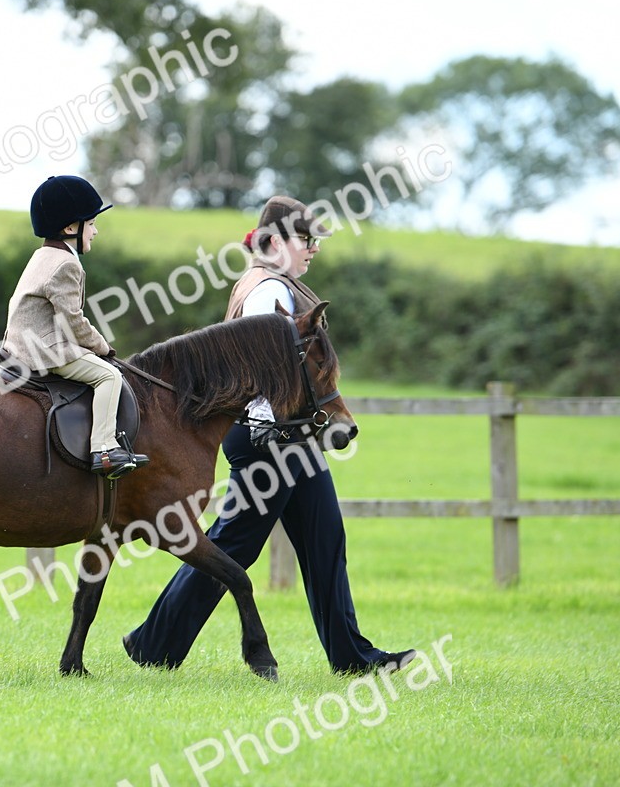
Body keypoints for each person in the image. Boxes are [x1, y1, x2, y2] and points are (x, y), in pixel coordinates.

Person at [122, 195, 415, 674]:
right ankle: (153, 645)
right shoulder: (266, 291)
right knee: (234, 544)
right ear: (275, 240)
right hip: (269, 438)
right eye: (306, 238)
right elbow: (259, 371)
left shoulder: (275, 285)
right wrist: (268, 429)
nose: (314, 247)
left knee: (324, 540)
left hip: (287, 439)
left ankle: (353, 658)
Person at [3, 175, 150, 479]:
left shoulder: (42, 256)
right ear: (71, 228)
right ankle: (104, 449)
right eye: (92, 223)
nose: (95, 231)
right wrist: (102, 347)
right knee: (109, 375)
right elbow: (72, 321)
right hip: (45, 350)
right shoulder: (65, 264)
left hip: (19, 344)